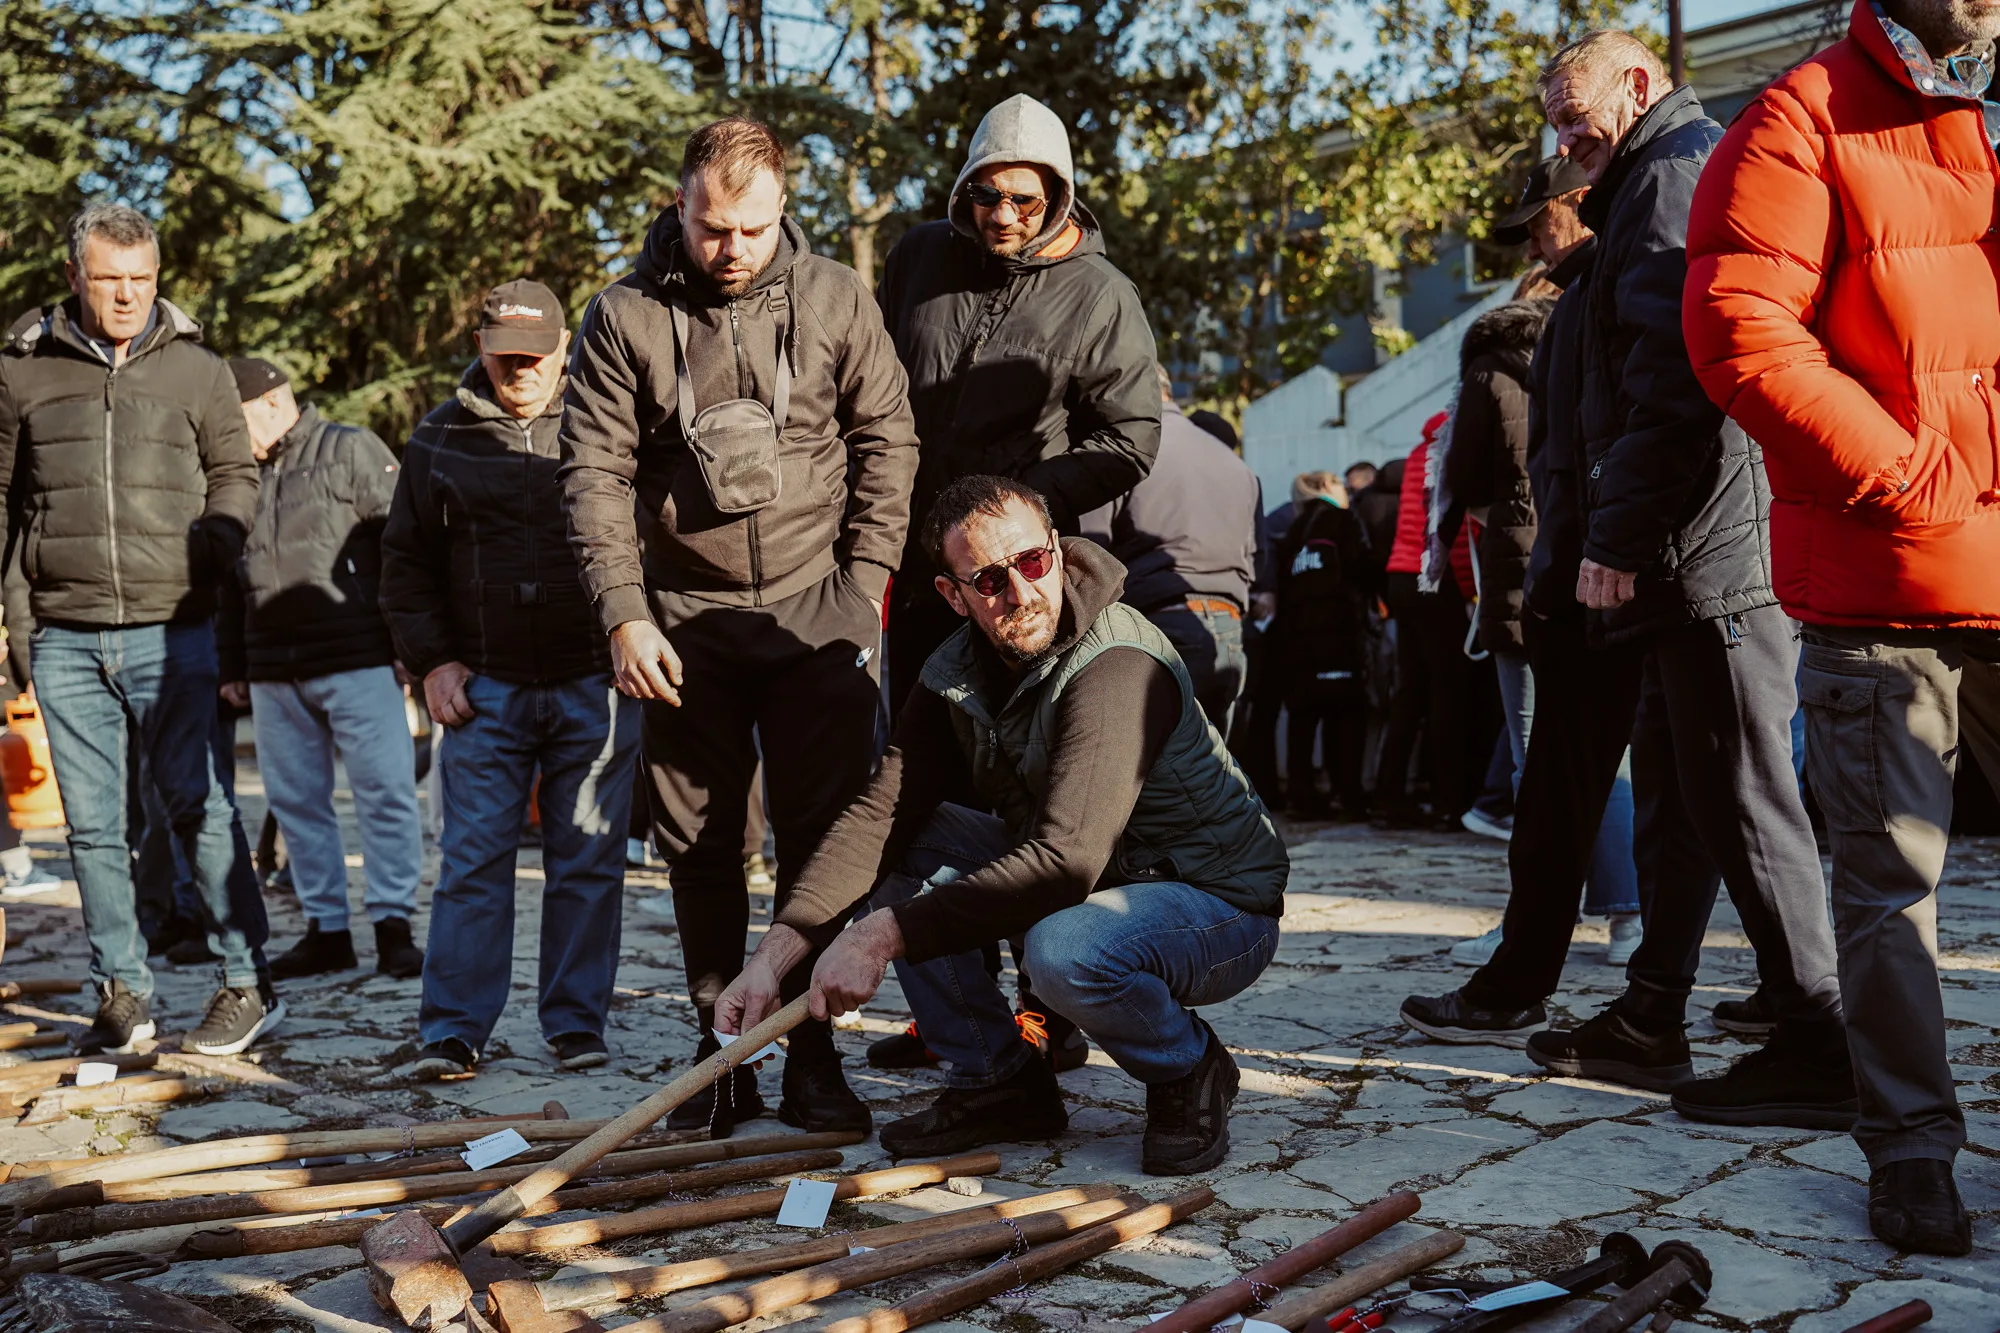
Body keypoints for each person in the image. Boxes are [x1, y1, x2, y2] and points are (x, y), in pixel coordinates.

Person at [1404, 32, 1852, 1131]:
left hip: (1697, 553)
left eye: (1575, 115)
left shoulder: (1667, 179)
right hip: (1672, 555)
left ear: (1640, 85)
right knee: (1691, 797)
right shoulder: (1647, 189)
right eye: (1555, 124)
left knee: (1740, 795)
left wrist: (1615, 539)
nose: (1564, 143)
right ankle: (1654, 1014)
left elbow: (1678, 385)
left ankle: (1819, 1041)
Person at [710, 475, 1287, 1174]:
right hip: (1103, 879)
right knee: (905, 843)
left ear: (1058, 551)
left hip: (1215, 901)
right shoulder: (955, 668)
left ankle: (1188, 1066)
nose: (1021, 592)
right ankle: (998, 1079)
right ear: (954, 595)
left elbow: (1066, 862)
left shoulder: (1119, 663)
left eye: (1034, 562)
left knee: (1063, 949)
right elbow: (879, 816)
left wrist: (878, 934)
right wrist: (772, 962)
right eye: (988, 579)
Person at [1682, 0, 2000, 1257]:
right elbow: (1740, 326)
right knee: (1886, 890)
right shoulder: (1801, 114)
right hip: (1887, 580)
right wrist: (1910, 476)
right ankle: (1910, 1141)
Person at [560, 118, 918, 1136]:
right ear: (680, 205)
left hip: (818, 609)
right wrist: (624, 615)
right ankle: (721, 1056)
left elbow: (887, 438)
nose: (733, 249)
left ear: (783, 210)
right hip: (682, 621)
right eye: (714, 227)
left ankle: (810, 1052)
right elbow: (592, 474)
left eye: (754, 229)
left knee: (821, 840)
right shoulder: (622, 314)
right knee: (701, 846)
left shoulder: (836, 296)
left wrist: (865, 588)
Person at [0, 203, 279, 1057]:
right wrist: (17, 619)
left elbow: (235, 472)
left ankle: (246, 981)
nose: (126, 295)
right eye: (108, 279)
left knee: (199, 805)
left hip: (174, 629)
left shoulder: (197, 370)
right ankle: (122, 992)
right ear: (74, 277)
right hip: (65, 635)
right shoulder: (22, 372)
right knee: (91, 826)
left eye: (141, 279)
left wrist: (216, 543)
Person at [381, 278, 640, 1079]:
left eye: (535, 354)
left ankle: (576, 1023)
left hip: (594, 683)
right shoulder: (437, 438)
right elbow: (404, 564)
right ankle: (453, 1030)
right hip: (483, 691)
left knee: (588, 861)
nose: (519, 369)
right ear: (480, 349)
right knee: (471, 863)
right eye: (504, 356)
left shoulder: (607, 423)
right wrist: (433, 660)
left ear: (565, 349)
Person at [878, 94, 1160, 712]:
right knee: (914, 737)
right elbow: (867, 388)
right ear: (965, 188)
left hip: (1013, 579)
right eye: (987, 195)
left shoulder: (1102, 294)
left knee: (1010, 741)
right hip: (911, 559)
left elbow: (1130, 439)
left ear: (1057, 195)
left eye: (1025, 201)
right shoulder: (917, 257)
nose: (1003, 215)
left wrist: (1017, 507)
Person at [1437, 158, 1643, 970]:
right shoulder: (1601, 333)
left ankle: (1528, 927)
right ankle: (1627, 918)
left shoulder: (1491, 368)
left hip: (1526, 573)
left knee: (1535, 755)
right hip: (1602, 558)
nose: (1533, 245)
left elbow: (1464, 480)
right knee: (1609, 752)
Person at [220, 358, 424, 981]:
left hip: (358, 658)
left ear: (272, 402)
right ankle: (326, 930)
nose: (225, 432)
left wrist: (408, 644)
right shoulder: (235, 474)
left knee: (385, 792)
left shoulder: (351, 449)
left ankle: (394, 927)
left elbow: (403, 545)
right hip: (272, 670)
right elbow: (228, 574)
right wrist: (233, 663)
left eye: (233, 417)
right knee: (295, 802)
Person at [1078, 364, 1261, 732]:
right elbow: (1256, 556)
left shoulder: (1127, 450)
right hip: (1228, 631)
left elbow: (1090, 552)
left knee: (1148, 762)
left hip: (1160, 626)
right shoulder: (1235, 464)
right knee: (1212, 763)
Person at [1372, 413, 1478, 828]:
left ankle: (1389, 798)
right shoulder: (1456, 452)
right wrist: (1469, 590)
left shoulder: (1419, 452)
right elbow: (1457, 529)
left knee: (1409, 691)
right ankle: (1449, 801)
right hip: (1437, 579)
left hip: (1401, 576)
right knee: (1447, 693)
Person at [1273, 472, 1370, 819]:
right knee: (1347, 715)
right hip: (1340, 633)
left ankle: (1301, 795)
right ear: (1328, 488)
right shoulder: (1344, 521)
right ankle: (1347, 793)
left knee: (1303, 717)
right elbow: (1362, 567)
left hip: (1298, 639)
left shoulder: (1293, 531)